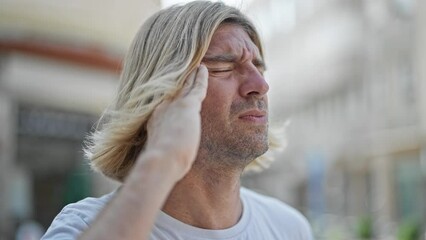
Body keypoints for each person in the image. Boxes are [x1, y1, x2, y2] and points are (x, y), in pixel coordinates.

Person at [42, 1, 314, 239]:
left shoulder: (289, 228)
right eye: (224, 66)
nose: (260, 85)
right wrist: (164, 157)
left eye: (259, 66)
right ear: (163, 95)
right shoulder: (82, 226)